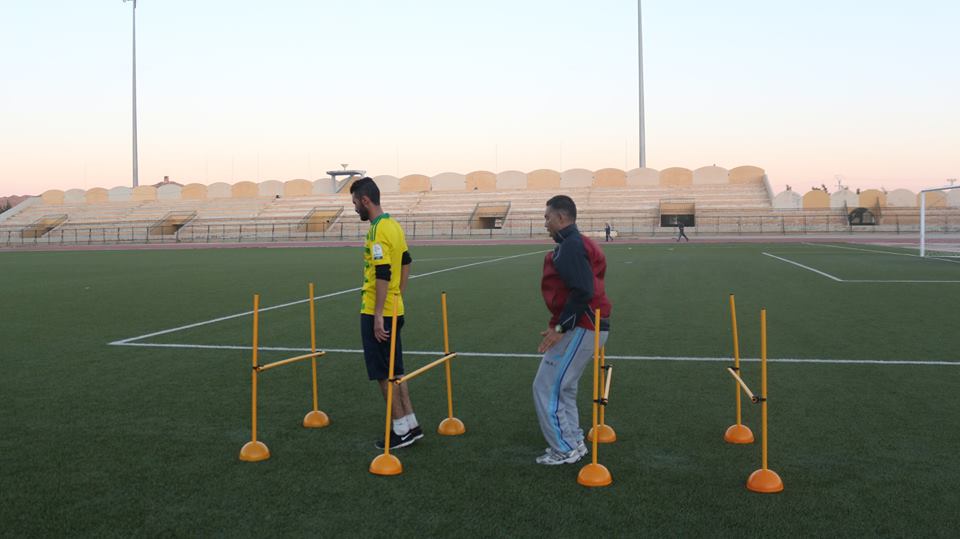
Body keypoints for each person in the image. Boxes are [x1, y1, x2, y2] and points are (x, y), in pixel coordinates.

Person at [533, 195, 612, 465]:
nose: (545, 223)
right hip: (587, 324)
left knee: (545, 387)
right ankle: (573, 441)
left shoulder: (571, 246)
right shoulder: (578, 243)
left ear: (561, 217)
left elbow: (583, 291)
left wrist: (560, 327)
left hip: (583, 325)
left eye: (547, 218)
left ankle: (564, 449)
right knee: (564, 386)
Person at [350, 177, 422, 449]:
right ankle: (411, 424)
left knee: (383, 373)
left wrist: (379, 314)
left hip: (376, 310)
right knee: (396, 369)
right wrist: (397, 295)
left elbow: (382, 272)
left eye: (355, 203)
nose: (355, 208)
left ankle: (400, 429)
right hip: (394, 307)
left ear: (365, 200)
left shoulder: (378, 230)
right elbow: (406, 262)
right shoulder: (394, 225)